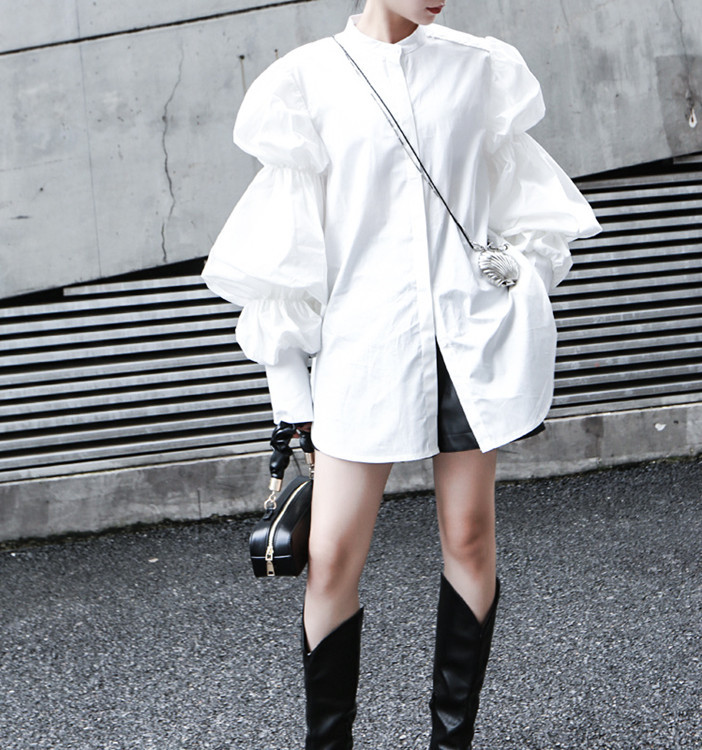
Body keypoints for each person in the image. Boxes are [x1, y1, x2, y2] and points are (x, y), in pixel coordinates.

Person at [202, 0, 600, 747]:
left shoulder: (480, 68)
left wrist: (513, 278)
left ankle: (452, 741)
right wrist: (291, 395)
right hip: (365, 351)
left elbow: (533, 208)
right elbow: (283, 255)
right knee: (330, 560)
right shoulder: (308, 81)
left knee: (470, 537)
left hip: (467, 347)